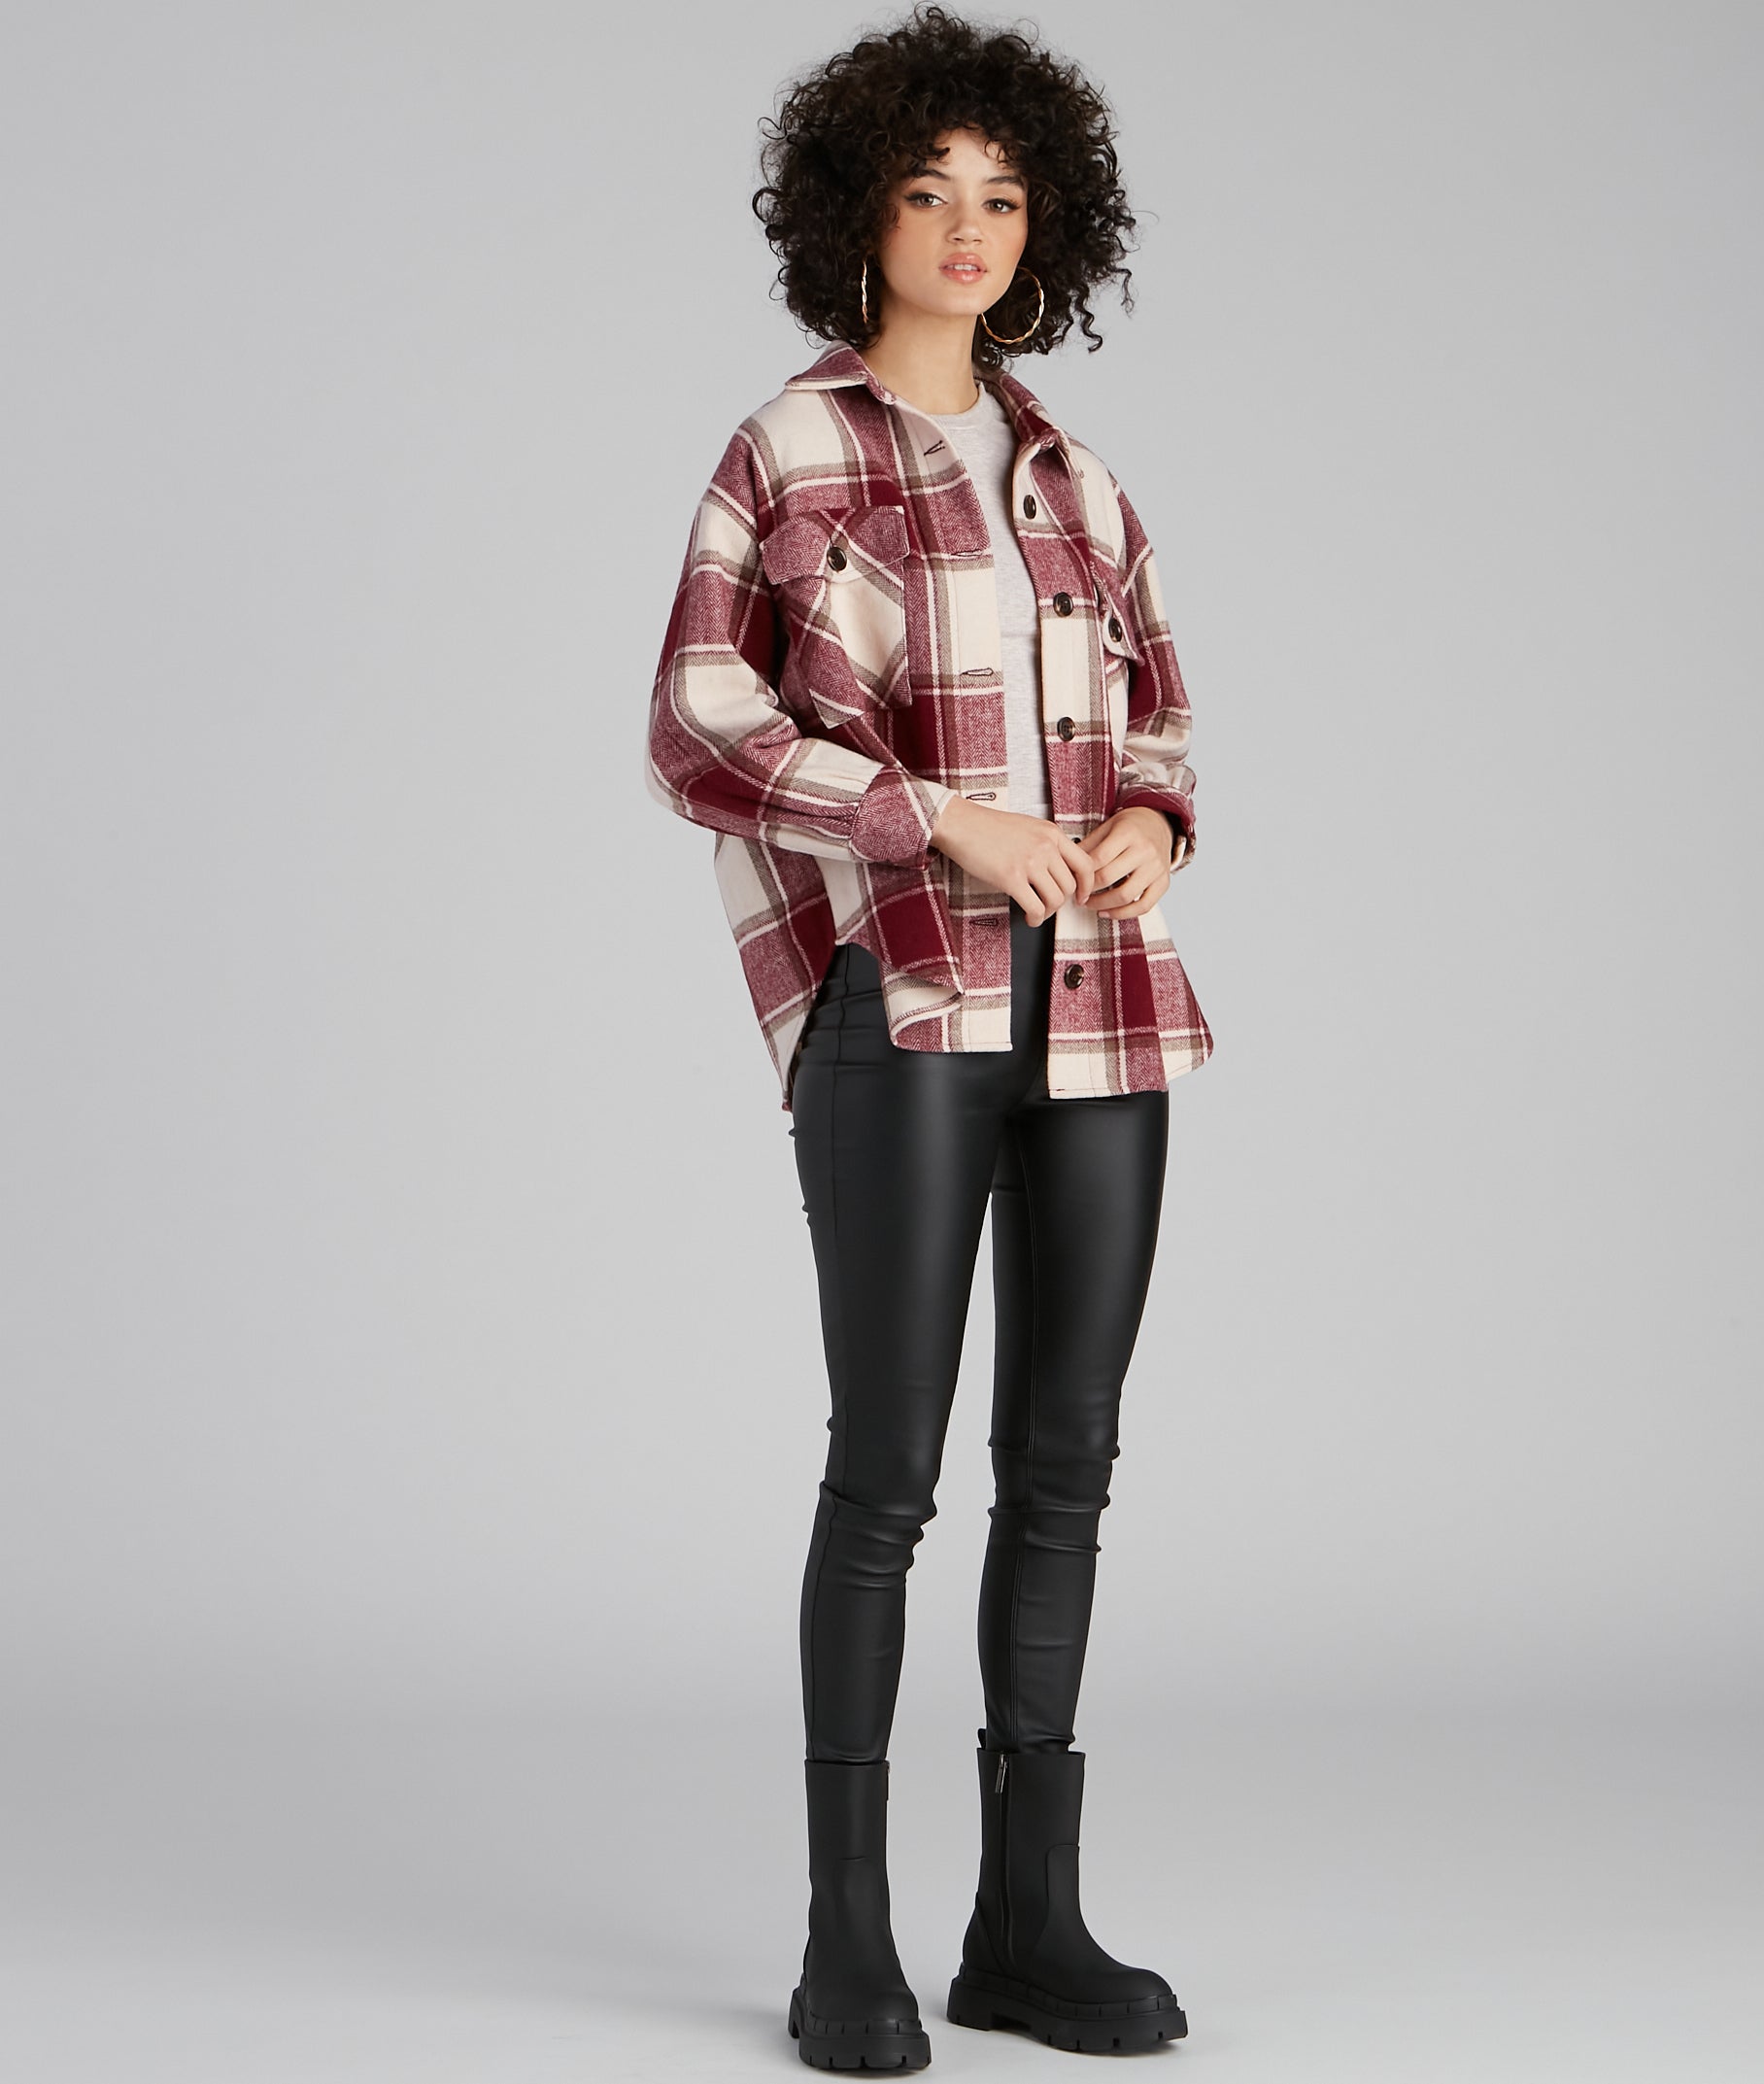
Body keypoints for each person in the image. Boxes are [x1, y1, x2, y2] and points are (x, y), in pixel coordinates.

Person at [645, 8, 1212, 2067]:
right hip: (899, 999)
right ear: (855, 215)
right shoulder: (789, 453)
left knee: (1066, 1464)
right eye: (926, 189)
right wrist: (931, 816)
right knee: (885, 1471)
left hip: (1103, 1009)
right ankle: (847, 1940)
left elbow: (1158, 712)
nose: (969, 227)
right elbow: (697, 724)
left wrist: (1151, 822)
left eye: (1003, 195)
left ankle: (1026, 1926)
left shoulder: (1079, 478)